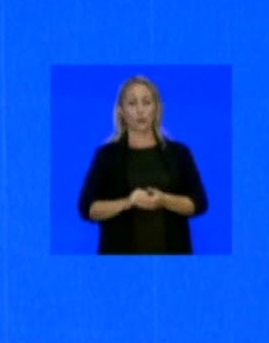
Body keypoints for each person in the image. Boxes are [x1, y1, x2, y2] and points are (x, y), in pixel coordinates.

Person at [75, 75, 209, 254]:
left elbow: (199, 203)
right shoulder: (106, 155)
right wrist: (128, 202)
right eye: (132, 103)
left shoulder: (179, 153)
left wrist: (164, 200)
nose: (140, 110)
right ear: (121, 111)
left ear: (157, 108)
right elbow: (87, 208)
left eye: (146, 102)